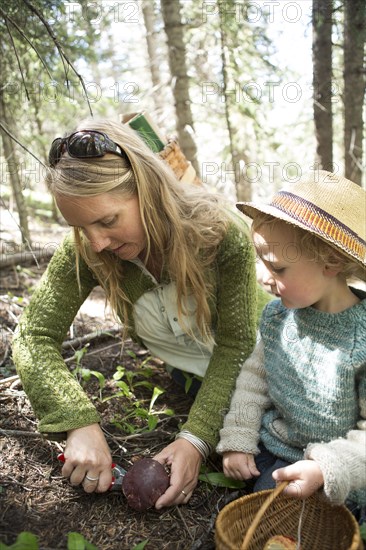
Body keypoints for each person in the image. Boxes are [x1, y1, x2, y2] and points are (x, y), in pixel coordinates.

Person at [12, 117, 271, 508]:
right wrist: (76, 420)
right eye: (81, 227)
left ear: (146, 190)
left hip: (268, 352)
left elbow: (237, 344)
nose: (96, 242)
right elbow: (32, 335)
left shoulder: (218, 232)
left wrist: (195, 438)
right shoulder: (87, 246)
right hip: (193, 371)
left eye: (107, 220)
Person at [217, 170, 366, 517]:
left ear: (331, 262)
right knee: (270, 512)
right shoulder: (276, 318)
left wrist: (326, 468)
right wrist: (238, 439)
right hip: (280, 450)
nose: (261, 275)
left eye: (278, 268)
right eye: (261, 260)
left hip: (342, 465)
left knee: (326, 520)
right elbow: (255, 382)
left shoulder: (361, 338)